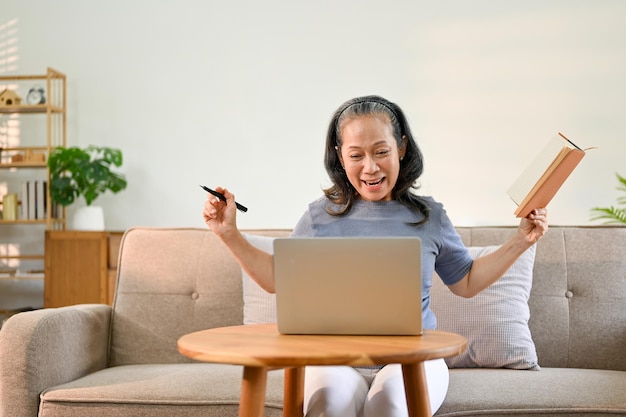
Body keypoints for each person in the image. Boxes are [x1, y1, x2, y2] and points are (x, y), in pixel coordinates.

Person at [203, 95, 549, 417]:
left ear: (401, 148)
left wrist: (520, 241)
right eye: (356, 155)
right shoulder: (319, 216)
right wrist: (229, 234)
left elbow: (467, 282)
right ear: (341, 157)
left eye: (380, 151)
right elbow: (277, 280)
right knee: (327, 407)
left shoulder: (430, 216)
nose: (370, 168)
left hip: (414, 357)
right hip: (336, 359)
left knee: (390, 407)